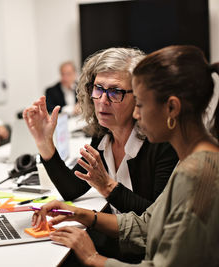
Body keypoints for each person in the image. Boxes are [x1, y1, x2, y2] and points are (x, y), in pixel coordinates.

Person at [33, 45, 219, 266]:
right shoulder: (193, 161)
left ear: (171, 108)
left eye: (140, 103)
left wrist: (93, 258)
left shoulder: (195, 173)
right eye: (98, 89)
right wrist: (79, 214)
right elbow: (150, 223)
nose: (137, 114)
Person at [24, 48, 178, 216]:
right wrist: (45, 143)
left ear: (139, 97)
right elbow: (72, 188)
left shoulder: (161, 143)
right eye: (98, 88)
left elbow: (158, 218)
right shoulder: (103, 136)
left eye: (115, 91)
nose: (103, 100)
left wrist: (107, 187)